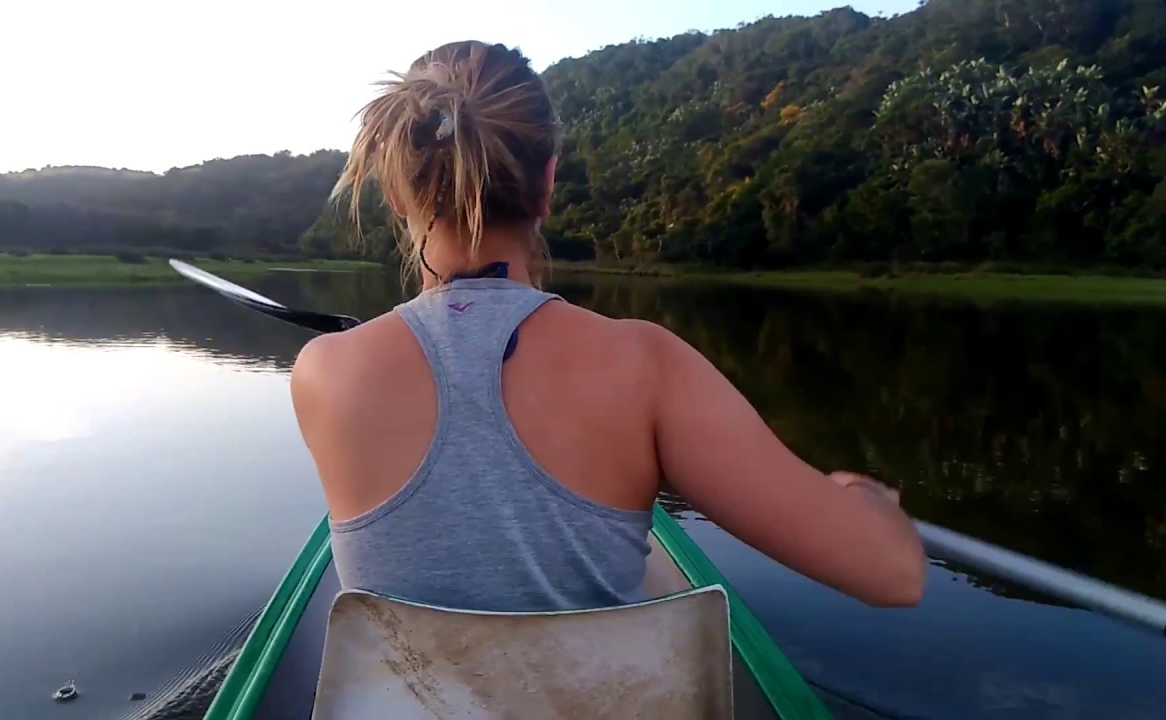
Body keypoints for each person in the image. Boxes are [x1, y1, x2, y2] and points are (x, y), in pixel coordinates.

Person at [289, 40, 925, 613]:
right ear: (547, 183)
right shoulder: (645, 365)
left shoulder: (324, 372)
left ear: (398, 197)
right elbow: (896, 576)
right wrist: (865, 501)